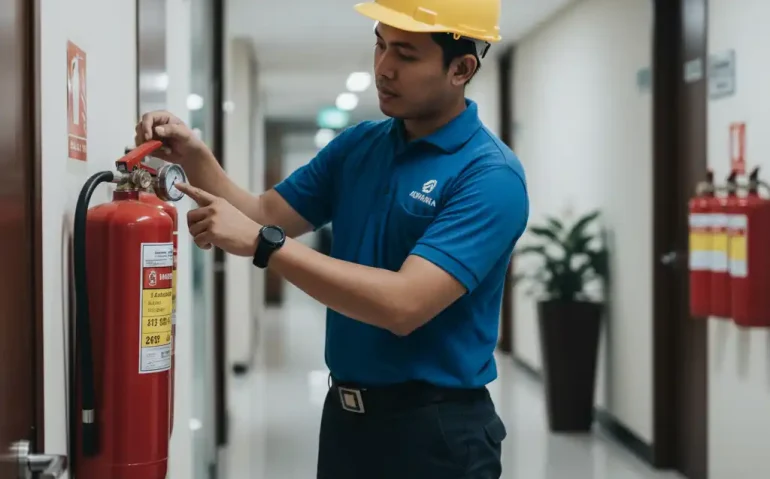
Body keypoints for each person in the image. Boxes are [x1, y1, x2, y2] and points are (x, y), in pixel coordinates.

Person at [135, 0, 528, 476]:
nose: (383, 68)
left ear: (461, 68)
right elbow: (262, 212)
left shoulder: (489, 175)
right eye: (380, 45)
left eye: (405, 54)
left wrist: (265, 245)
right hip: (346, 421)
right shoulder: (359, 145)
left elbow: (402, 305)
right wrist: (196, 154)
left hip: (436, 435)